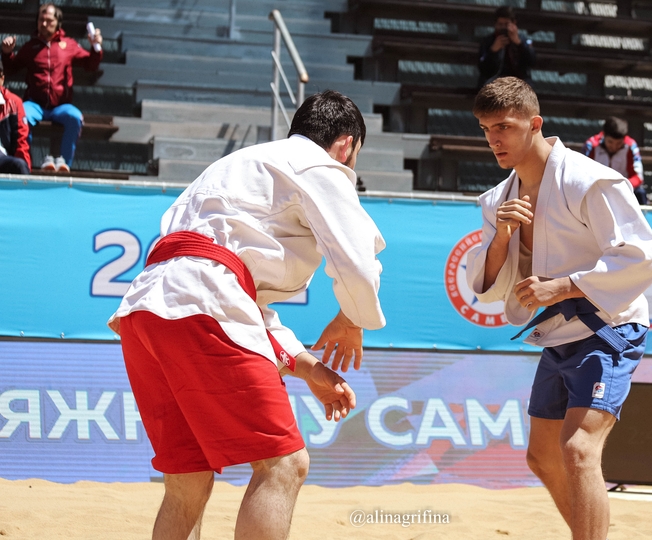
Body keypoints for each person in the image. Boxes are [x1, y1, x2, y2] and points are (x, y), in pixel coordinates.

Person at [107, 90, 386, 540]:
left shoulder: (233, 166)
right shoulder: (320, 165)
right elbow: (357, 262)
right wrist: (352, 320)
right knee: (284, 463)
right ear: (346, 145)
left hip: (145, 309)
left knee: (187, 479)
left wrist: (310, 369)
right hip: (204, 301)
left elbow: (236, 296)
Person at [466, 77, 652, 540]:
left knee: (578, 449)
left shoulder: (589, 180)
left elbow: (642, 257)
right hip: (558, 335)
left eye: (504, 126)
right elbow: (487, 288)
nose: (494, 139)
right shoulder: (498, 200)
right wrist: (501, 238)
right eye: (486, 129)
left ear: (535, 124)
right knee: (542, 457)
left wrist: (566, 285)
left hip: (609, 327)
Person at [1, 2, 103, 173]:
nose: (44, 23)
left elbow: (90, 65)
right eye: (41, 20)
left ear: (58, 23)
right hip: (35, 104)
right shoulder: (30, 47)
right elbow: (10, 69)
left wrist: (95, 47)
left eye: (49, 20)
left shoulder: (68, 45)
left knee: (75, 117)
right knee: (22, 114)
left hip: (61, 106)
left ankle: (64, 165)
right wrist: (7, 53)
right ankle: (26, 165)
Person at [584, 117, 648, 205]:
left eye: (619, 143)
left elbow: (638, 178)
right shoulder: (591, 145)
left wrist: (620, 186)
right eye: (610, 142)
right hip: (596, 189)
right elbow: (583, 173)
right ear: (604, 135)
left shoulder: (631, 146)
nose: (614, 147)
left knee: (640, 193)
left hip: (624, 190)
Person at [478, 6, 536, 88]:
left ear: (514, 23)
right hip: (494, 79)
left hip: (519, 80)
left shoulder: (523, 40)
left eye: (506, 24)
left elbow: (532, 61)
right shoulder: (487, 41)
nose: (503, 28)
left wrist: (519, 44)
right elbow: (483, 68)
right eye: (500, 24)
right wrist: (493, 50)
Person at [0, 58, 31, 174]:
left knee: (19, 165)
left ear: (2, 79)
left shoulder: (14, 103)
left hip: (2, 158)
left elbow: (21, 141)